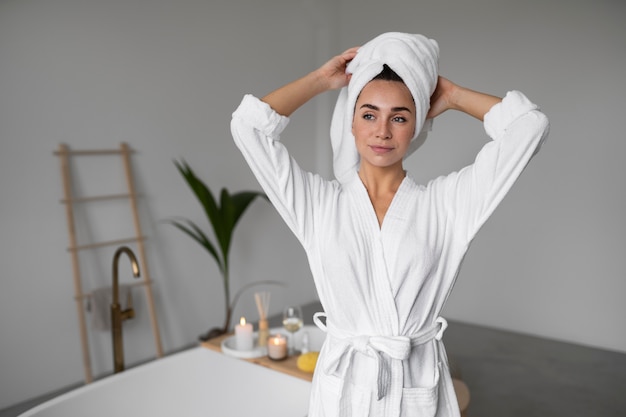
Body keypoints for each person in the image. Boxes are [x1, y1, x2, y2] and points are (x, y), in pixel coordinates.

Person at [231, 32, 549, 417]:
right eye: (368, 114)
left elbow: (529, 127)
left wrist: (452, 95)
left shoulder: (446, 204)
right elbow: (248, 128)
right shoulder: (318, 204)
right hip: (342, 393)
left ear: (414, 127)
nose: (382, 131)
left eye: (399, 117)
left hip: (414, 388)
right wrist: (321, 80)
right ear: (351, 123)